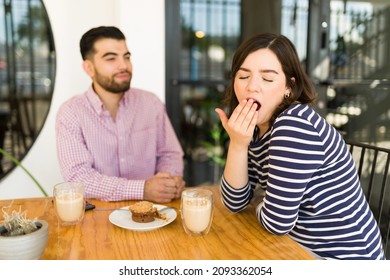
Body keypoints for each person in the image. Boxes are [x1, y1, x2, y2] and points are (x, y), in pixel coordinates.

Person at [215, 32, 385, 260]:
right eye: (243, 76)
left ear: (289, 86)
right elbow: (235, 202)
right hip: (296, 248)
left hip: (343, 258)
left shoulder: (294, 125)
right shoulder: (256, 129)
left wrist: (260, 201)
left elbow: (276, 223)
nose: (252, 87)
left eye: (267, 78)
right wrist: (237, 144)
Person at [56, 26, 185, 203]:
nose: (123, 65)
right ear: (89, 68)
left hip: (153, 212)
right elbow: (78, 179)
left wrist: (167, 182)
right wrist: (142, 189)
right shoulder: (71, 113)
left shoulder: (151, 103)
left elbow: (170, 154)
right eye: (111, 58)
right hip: (99, 217)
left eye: (127, 57)